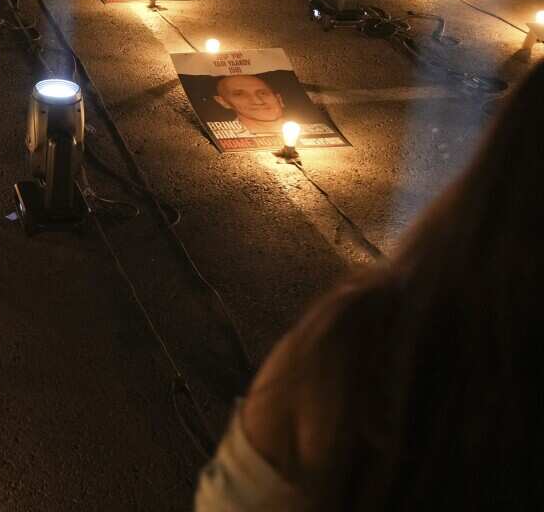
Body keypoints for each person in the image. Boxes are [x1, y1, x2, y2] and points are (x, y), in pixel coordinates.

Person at [195, 60, 544, 511]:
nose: (259, 99)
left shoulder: (372, 337)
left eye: (262, 90)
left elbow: (233, 500)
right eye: (241, 94)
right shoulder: (372, 339)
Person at [213, 74, 285, 135]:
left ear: (279, 98)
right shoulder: (226, 135)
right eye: (240, 94)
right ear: (223, 102)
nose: (258, 101)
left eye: (263, 93)